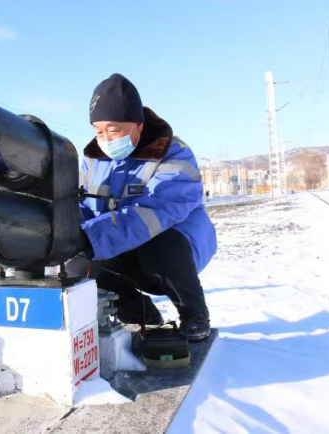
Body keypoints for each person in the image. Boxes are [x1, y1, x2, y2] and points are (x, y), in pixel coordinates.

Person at [68, 73, 217, 341]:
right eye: (98, 131)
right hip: (120, 243)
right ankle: (141, 313)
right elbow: (86, 209)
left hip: (174, 246)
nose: (105, 139)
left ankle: (194, 314)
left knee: (159, 246)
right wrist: (67, 229)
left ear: (138, 124)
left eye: (113, 130)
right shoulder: (93, 160)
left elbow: (157, 212)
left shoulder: (173, 153)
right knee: (79, 265)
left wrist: (93, 236)